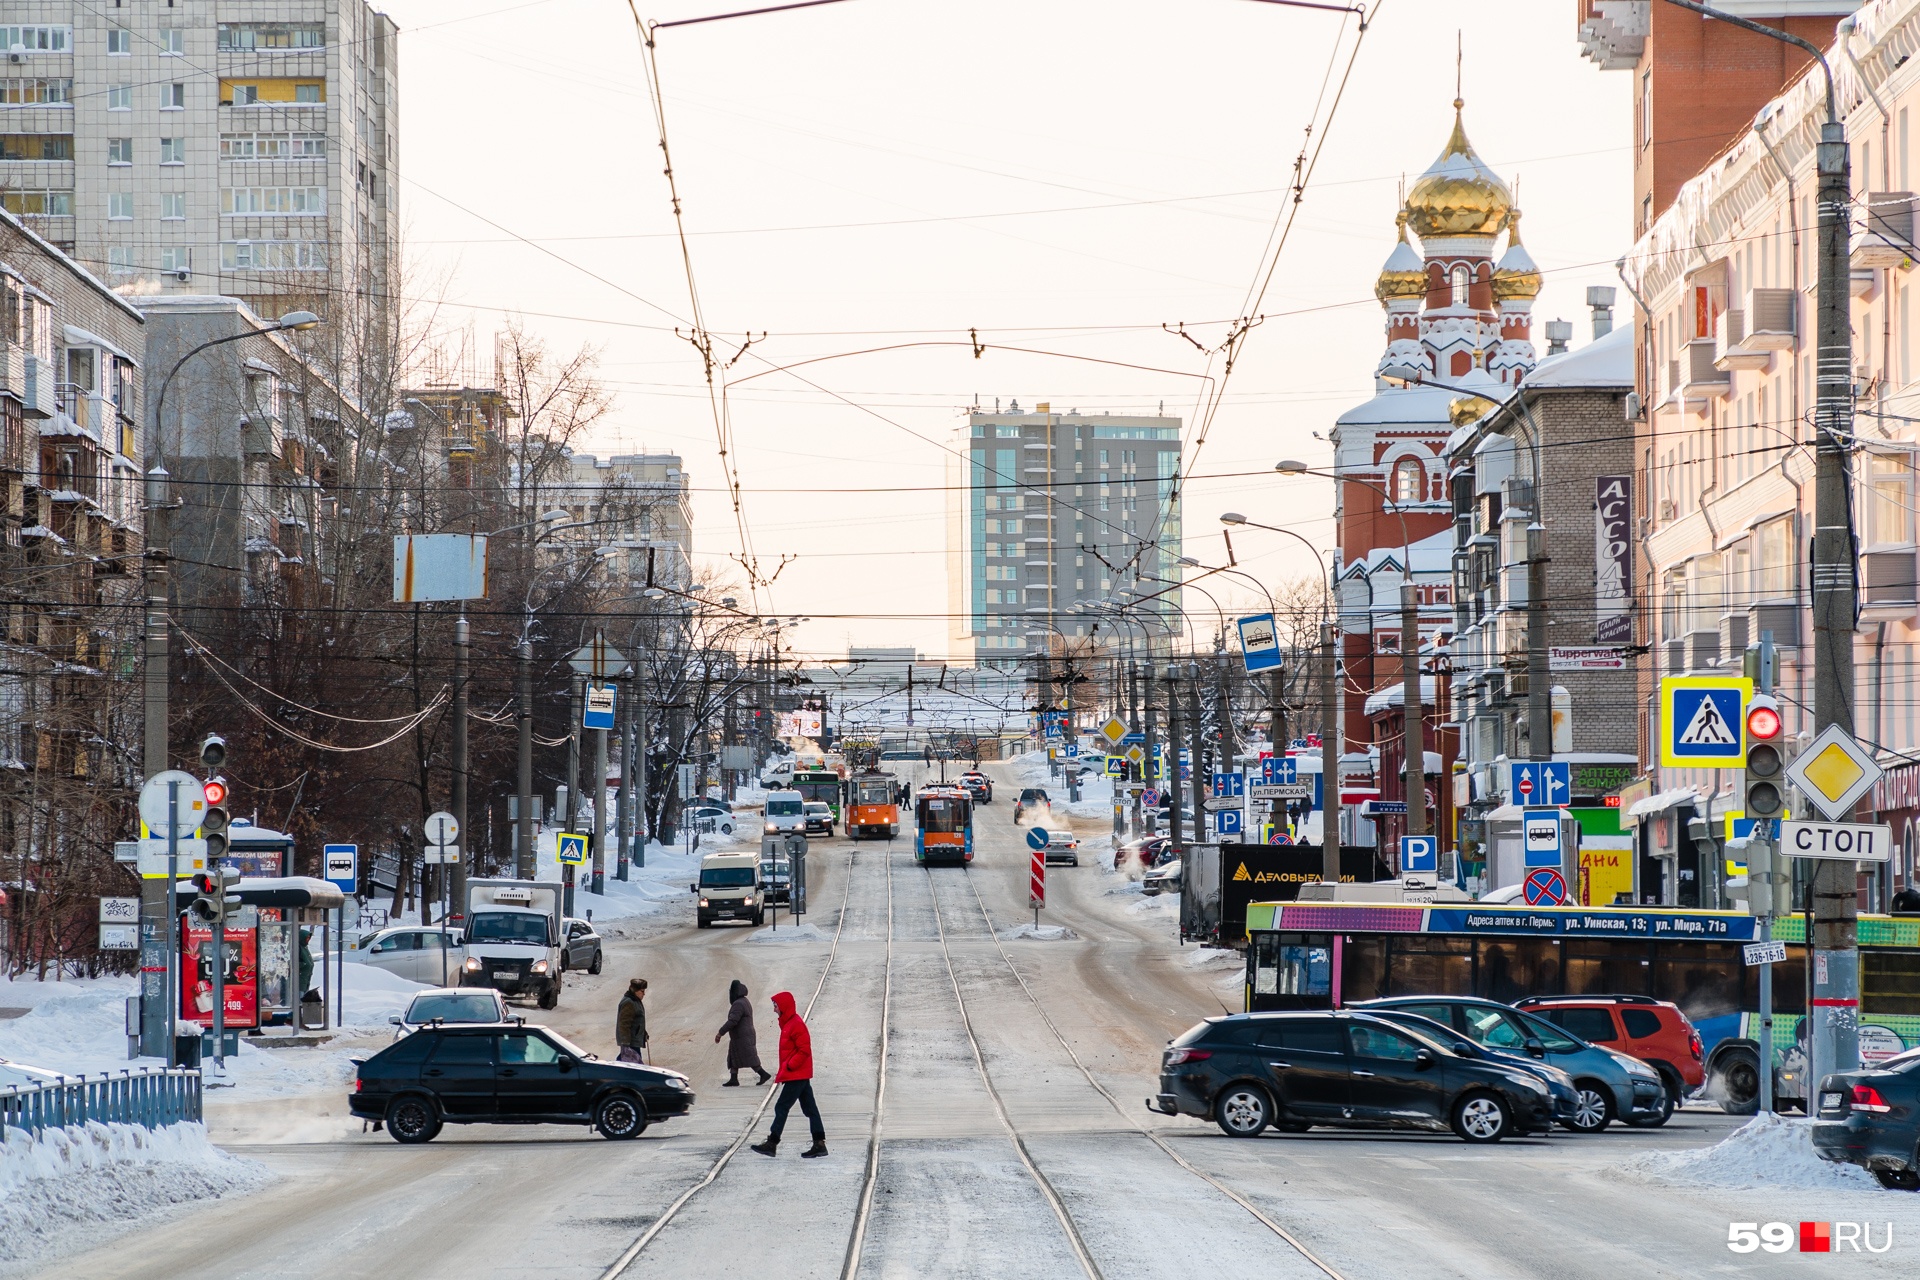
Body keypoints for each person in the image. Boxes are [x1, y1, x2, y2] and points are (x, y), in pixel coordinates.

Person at [750, 991, 826, 1158]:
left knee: (781, 1106)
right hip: (798, 1074)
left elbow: (804, 1049)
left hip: (797, 1074)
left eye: (776, 1006)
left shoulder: (795, 1024)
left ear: (784, 1006)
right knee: (810, 1109)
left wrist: (791, 1066)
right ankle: (819, 1143)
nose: (774, 1010)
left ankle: (772, 1143)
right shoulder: (789, 1024)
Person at [715, 979, 770, 1087]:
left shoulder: (738, 1004)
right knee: (733, 1055)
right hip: (741, 1035)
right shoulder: (744, 1001)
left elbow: (733, 1021)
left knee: (748, 1056)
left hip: (743, 1036)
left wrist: (720, 1033)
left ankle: (763, 1074)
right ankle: (733, 1078)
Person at [616, 978, 649, 1064]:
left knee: (626, 1062)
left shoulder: (635, 1000)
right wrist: (626, 1043)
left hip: (633, 1041)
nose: (644, 994)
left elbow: (636, 1021)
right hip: (631, 1042)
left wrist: (643, 1032)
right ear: (635, 990)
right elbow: (624, 1024)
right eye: (642, 991)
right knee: (633, 1066)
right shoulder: (629, 1003)